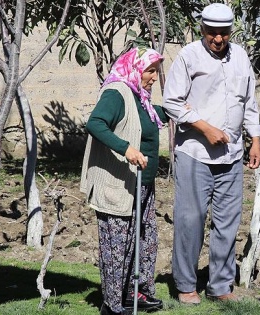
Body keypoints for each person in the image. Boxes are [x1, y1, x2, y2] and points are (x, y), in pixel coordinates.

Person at [162, 3, 260, 304]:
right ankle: (185, 284)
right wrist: (204, 128)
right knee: (190, 219)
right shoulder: (188, 56)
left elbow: (249, 102)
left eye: (224, 33)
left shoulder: (241, 56)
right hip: (195, 153)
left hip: (231, 154)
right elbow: (172, 102)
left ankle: (220, 286)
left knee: (228, 221)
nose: (218, 39)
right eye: (212, 33)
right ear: (202, 30)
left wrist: (255, 139)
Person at [80, 46, 166, 315]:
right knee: (117, 246)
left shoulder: (140, 97)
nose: (153, 77)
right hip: (118, 184)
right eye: (150, 71)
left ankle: (134, 293)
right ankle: (112, 305)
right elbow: (95, 123)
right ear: (136, 68)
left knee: (144, 240)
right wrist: (126, 149)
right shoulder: (117, 92)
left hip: (142, 183)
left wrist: (180, 110)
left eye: (155, 71)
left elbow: (151, 118)